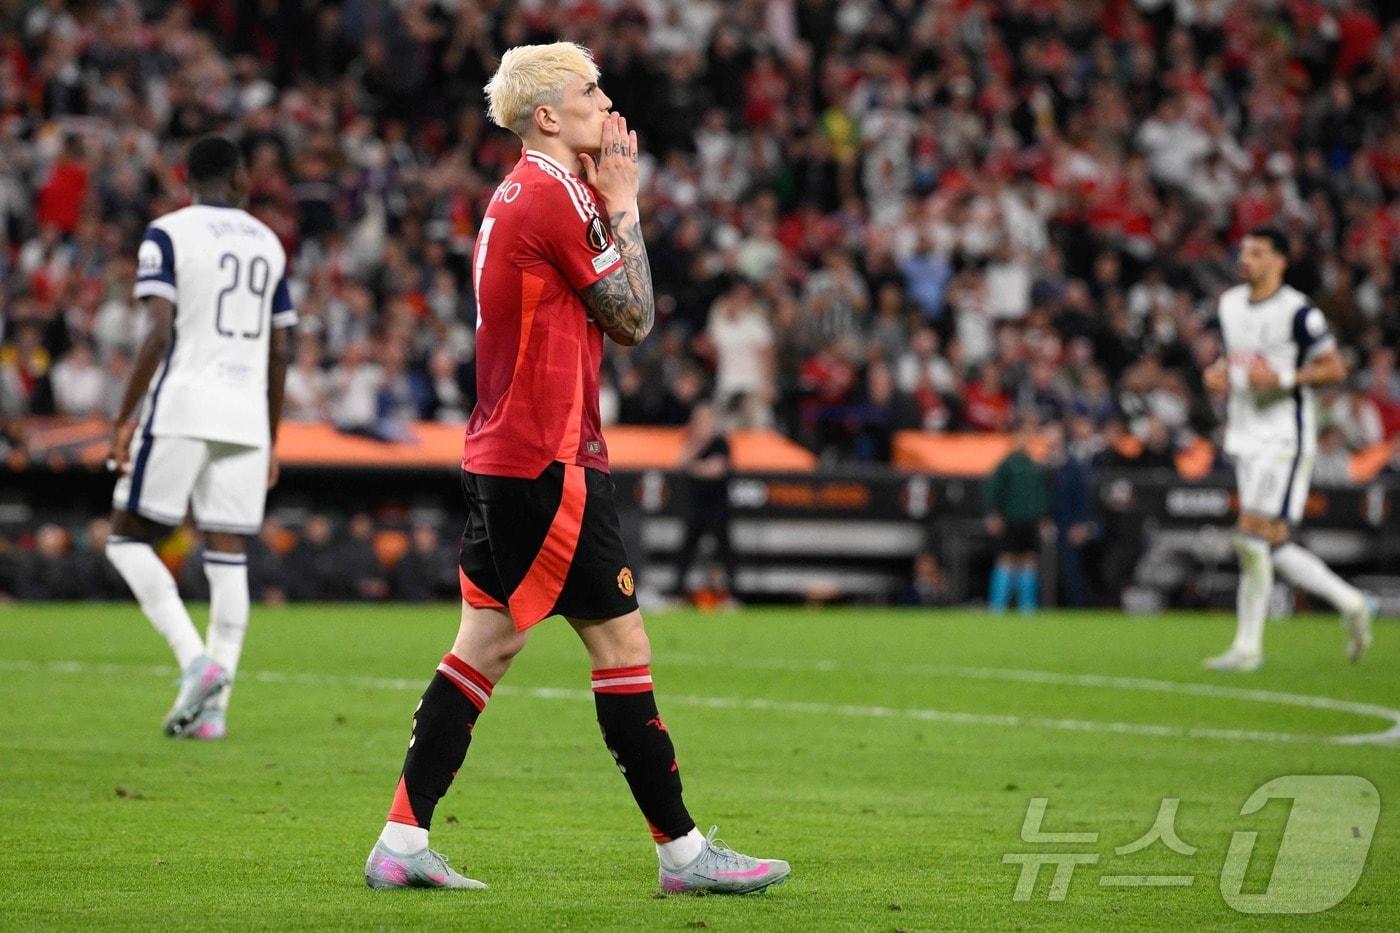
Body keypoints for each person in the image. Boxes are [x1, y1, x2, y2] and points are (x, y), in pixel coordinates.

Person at [363, 43, 788, 895]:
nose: (606, 102)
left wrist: (607, 196)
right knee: (618, 641)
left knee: (484, 646)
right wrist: (626, 206)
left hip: (508, 451)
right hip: (547, 459)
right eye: (589, 91)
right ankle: (683, 852)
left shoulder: (531, 191)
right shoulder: (554, 196)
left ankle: (402, 842)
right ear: (548, 116)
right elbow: (633, 318)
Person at [105, 136, 294, 739]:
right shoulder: (268, 242)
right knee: (228, 554)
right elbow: (280, 349)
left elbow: (158, 332)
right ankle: (212, 713)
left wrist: (125, 415)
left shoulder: (167, 233)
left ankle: (195, 662)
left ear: (188, 178)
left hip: (186, 403)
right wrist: (270, 435)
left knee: (126, 539)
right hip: (246, 415)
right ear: (238, 176)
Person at [1201, 227, 1376, 672]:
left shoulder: (1298, 312)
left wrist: (1283, 379)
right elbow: (1236, 356)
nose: (1247, 260)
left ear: (1280, 261)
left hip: (1284, 438)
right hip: (1243, 434)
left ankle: (1248, 648)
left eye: (1257, 253)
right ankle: (1353, 602)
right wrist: (1219, 372)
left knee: (1249, 535)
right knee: (1269, 544)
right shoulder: (1229, 304)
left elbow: (1334, 366)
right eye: (1244, 251)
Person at [671, 403, 735, 601]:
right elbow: (679, 462)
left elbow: (715, 470)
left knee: (725, 552)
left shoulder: (720, 443)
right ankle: (677, 593)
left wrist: (693, 467)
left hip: (717, 508)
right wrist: (697, 443)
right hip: (695, 508)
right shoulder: (692, 442)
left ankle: (731, 594)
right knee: (686, 552)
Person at [984, 421, 1049, 614]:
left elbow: (1041, 494)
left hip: (1030, 520)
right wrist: (993, 514)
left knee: (1028, 559)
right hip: (1010, 519)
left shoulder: (1034, 465)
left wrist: (1043, 518)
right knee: (1006, 558)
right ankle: (998, 605)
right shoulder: (1006, 465)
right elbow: (993, 491)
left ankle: (1027, 607)